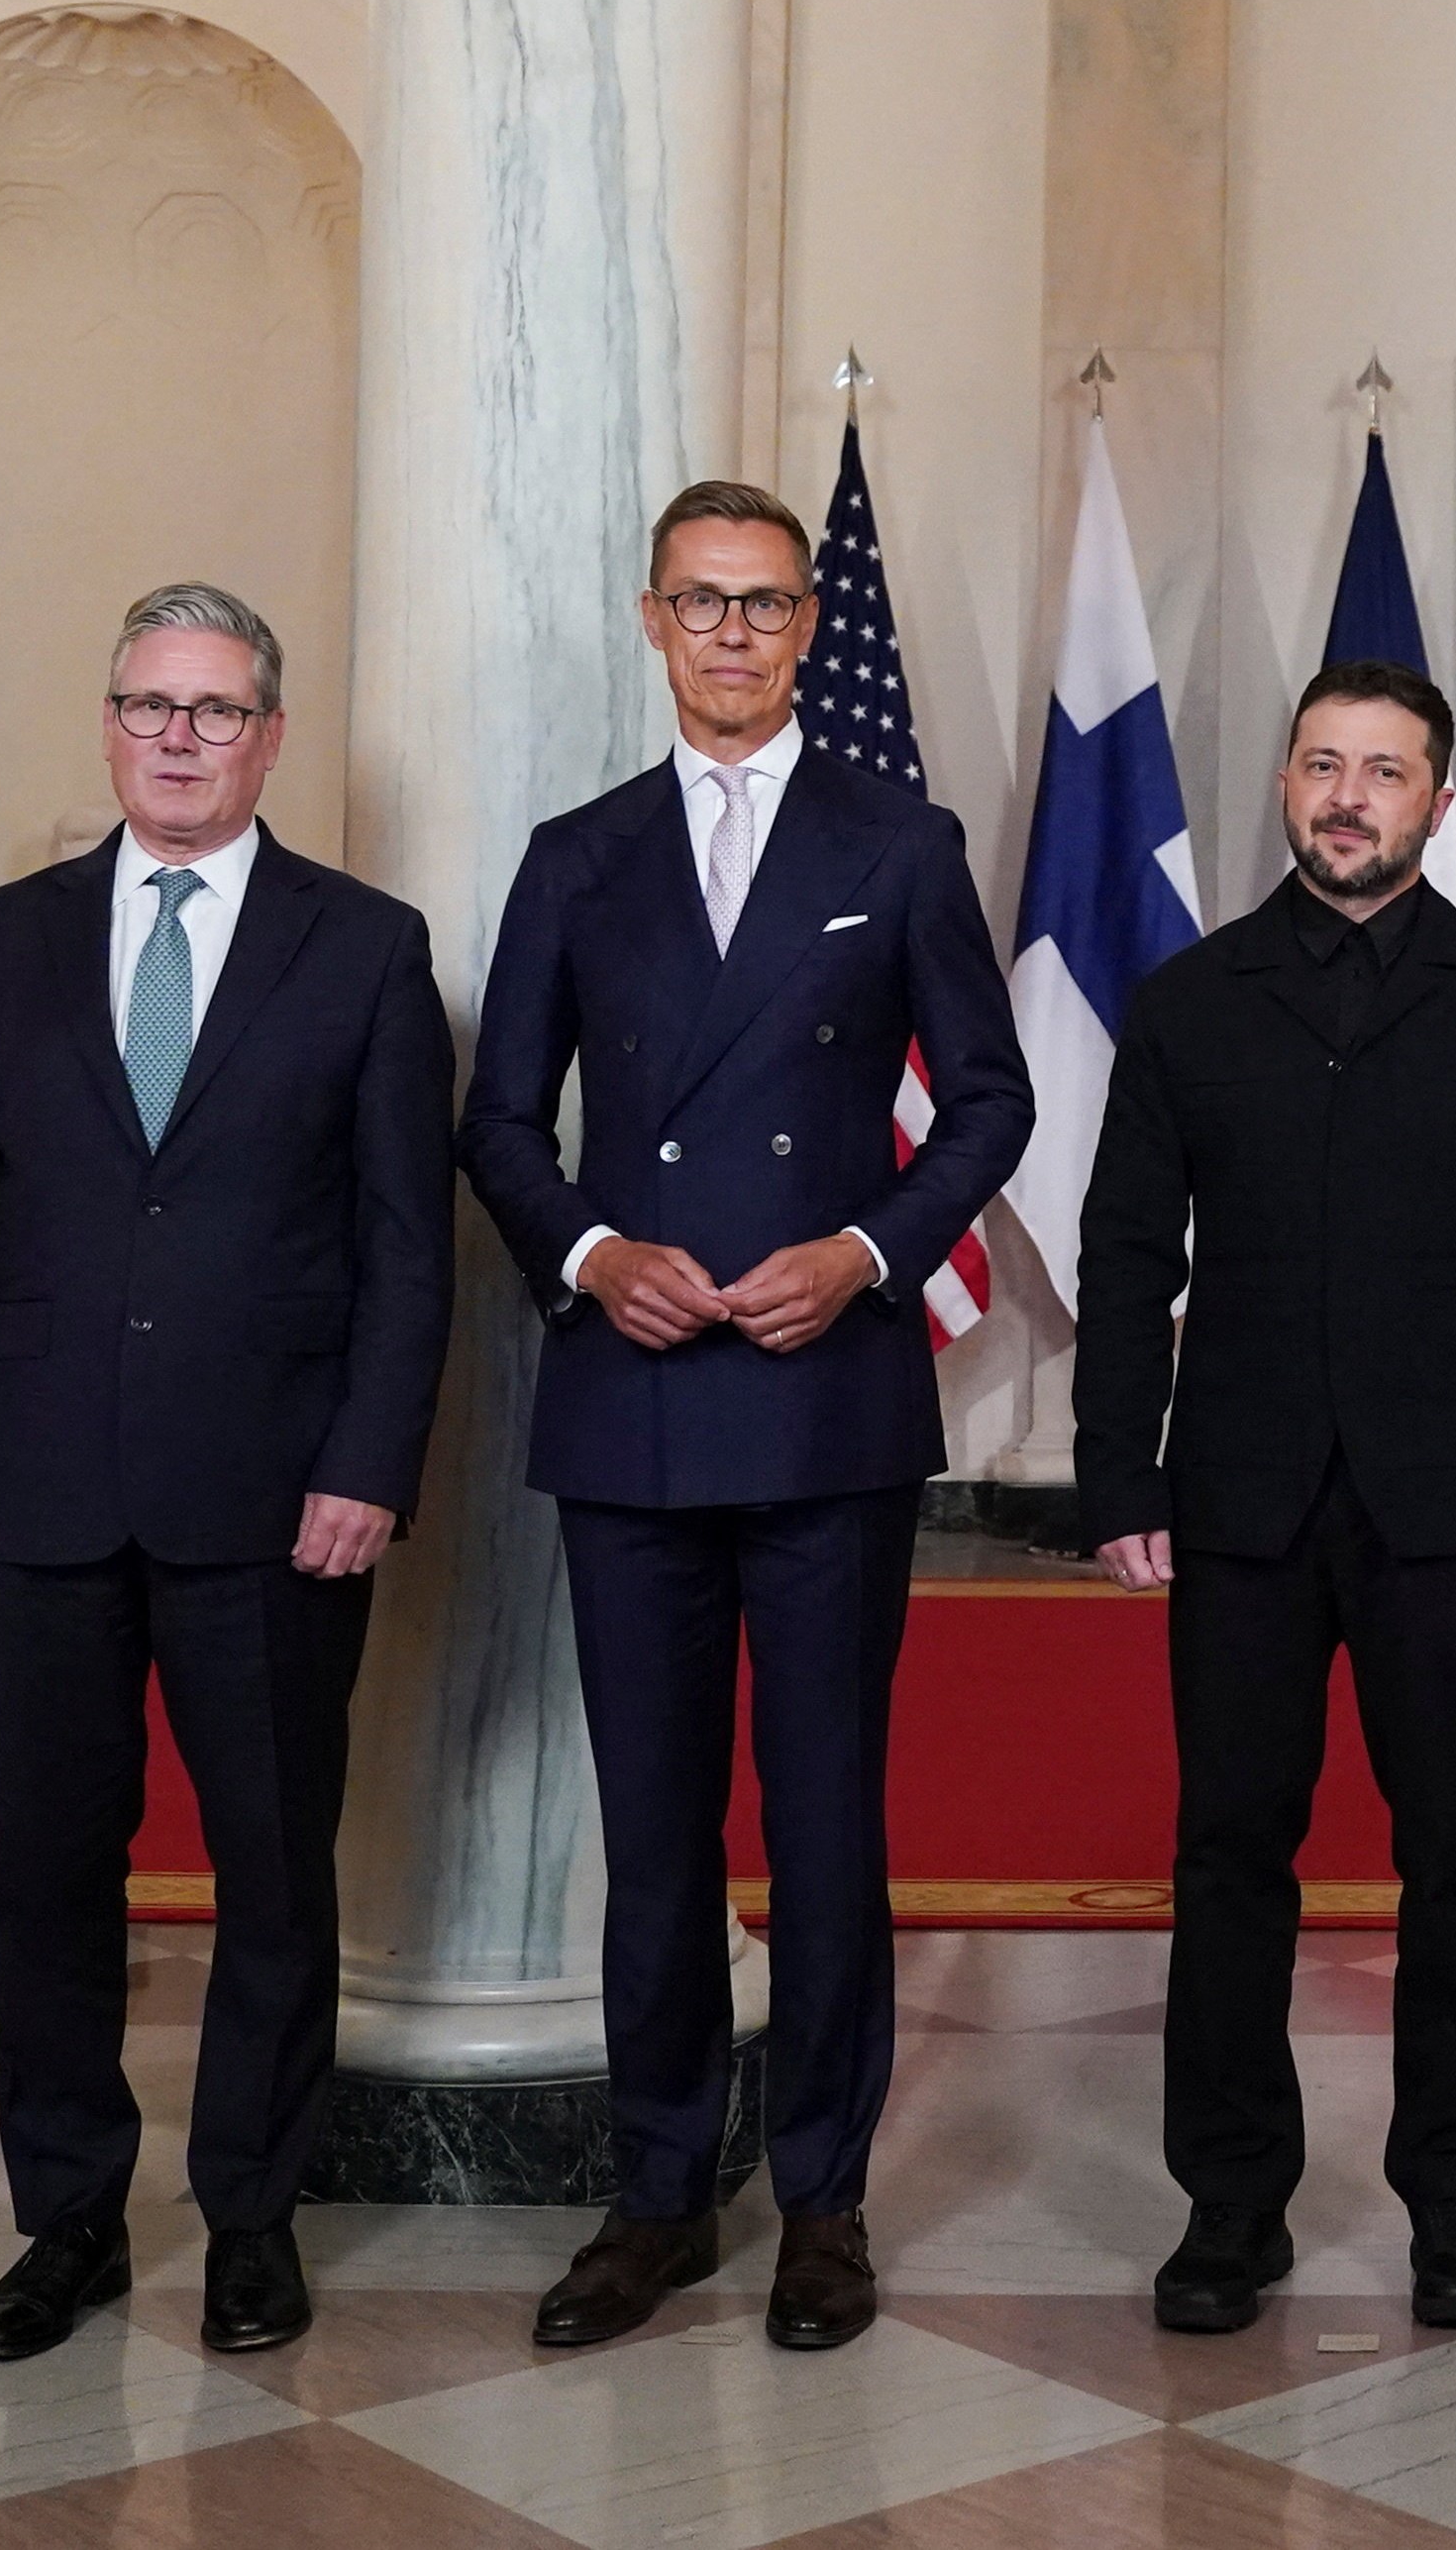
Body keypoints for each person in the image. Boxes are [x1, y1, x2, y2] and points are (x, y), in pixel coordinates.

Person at [458, 479, 1028, 2352]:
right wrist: (593, 1249)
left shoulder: (902, 835)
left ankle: (824, 2203)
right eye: (699, 604)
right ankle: (652, 2194)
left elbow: (990, 1105)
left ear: (803, 629)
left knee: (830, 1822)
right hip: (634, 1388)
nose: (731, 634)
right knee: (655, 1825)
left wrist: (869, 1249)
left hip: (822, 1397)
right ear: (650, 621)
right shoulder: (579, 851)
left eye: (764, 605)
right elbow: (497, 1125)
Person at [0, 584, 454, 2365]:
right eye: (148, 705)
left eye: (215, 709)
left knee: (275, 1869)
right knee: (47, 1871)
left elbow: (406, 1246)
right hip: (32, 1492)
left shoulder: (363, 945)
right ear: (110, 725)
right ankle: (66, 2223)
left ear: (270, 736)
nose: (180, 736)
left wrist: (368, 1462)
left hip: (278, 1501)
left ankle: (251, 2218)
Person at [1078, 663, 1456, 2337]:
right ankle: (1230, 2202)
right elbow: (1119, 1257)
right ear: (1289, 785)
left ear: (1436, 803)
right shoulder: (1188, 1001)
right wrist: (1118, 1471)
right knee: (1231, 1852)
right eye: (1323, 764)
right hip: (1236, 1497)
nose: (1348, 796)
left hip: (1453, 1506)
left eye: (1384, 772)